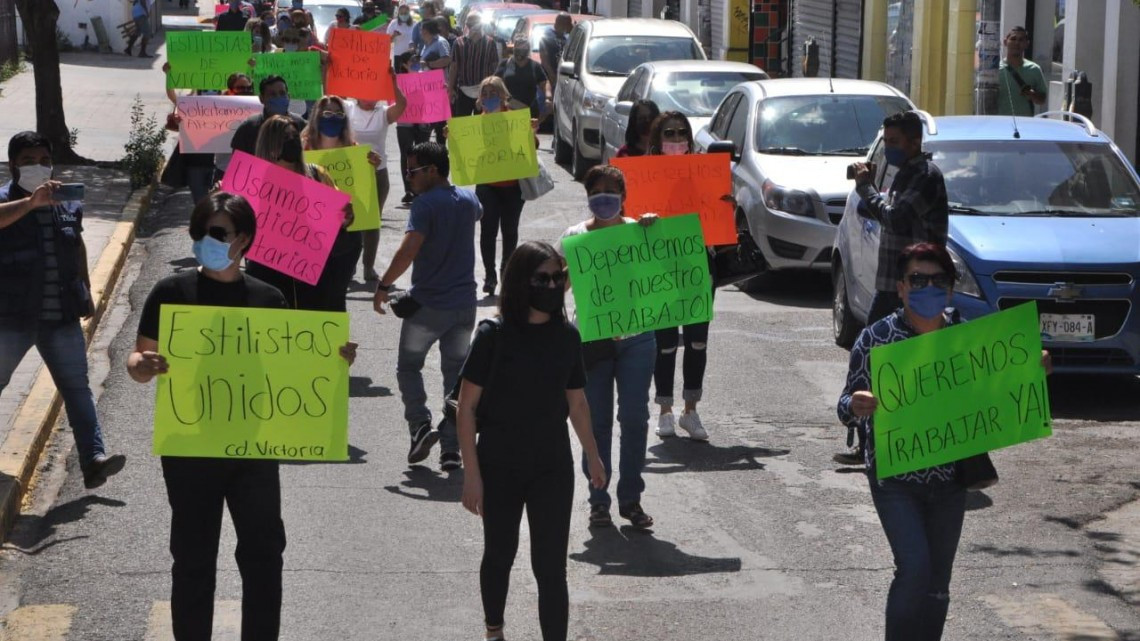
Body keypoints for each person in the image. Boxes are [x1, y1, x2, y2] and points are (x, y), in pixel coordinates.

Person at [127, 191, 357, 641]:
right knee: (192, 559)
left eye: (216, 233)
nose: (205, 241)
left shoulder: (268, 298)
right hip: (190, 448)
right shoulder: (171, 292)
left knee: (264, 556)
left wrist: (334, 360)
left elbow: (292, 366)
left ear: (244, 240)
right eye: (199, 233)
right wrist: (143, 366)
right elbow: (138, 361)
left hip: (253, 449)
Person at [838, 242, 1051, 641]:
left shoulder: (968, 339)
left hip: (950, 479)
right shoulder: (876, 339)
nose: (927, 287)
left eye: (937, 280)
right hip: (895, 478)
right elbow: (843, 405)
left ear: (951, 290)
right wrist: (857, 404)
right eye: (917, 279)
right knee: (915, 568)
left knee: (938, 583)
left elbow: (993, 389)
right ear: (900, 287)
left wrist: (1030, 369)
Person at [458, 241, 606, 641]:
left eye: (559, 277)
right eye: (543, 278)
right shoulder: (493, 335)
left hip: (551, 466)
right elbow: (466, 408)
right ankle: (494, 631)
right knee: (500, 554)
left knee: (550, 567)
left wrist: (593, 455)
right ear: (522, 282)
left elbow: (577, 403)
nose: (553, 284)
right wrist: (471, 474)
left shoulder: (567, 337)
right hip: (499, 464)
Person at [0, 131, 126, 490]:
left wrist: (86, 290)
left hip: (60, 316)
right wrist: (30, 203)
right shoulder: (7, 200)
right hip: (12, 317)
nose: (37, 167)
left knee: (76, 387)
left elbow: (77, 244)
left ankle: (93, 459)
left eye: (43, 160)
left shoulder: (67, 200)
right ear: (13, 165)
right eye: (27, 161)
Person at [843, 110, 948, 465]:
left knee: (893, 360)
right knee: (874, 356)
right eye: (885, 142)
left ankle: (902, 439)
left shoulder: (925, 176)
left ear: (914, 142)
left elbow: (895, 216)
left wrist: (865, 188)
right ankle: (869, 438)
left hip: (915, 289)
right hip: (892, 285)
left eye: (894, 143)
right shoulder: (906, 173)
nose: (888, 150)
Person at [557, 164, 657, 530]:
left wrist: (653, 230)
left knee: (635, 418)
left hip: (637, 339)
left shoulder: (640, 231)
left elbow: (662, 275)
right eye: (595, 193)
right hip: (592, 341)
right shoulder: (574, 236)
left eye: (610, 193)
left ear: (623, 198)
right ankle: (598, 498)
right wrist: (567, 270)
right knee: (595, 421)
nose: (603, 199)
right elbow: (558, 288)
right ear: (587, 198)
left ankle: (631, 498)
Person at [373, 142, 481, 471]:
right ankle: (452, 450)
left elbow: (408, 251)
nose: (409, 178)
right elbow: (475, 215)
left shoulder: (424, 205)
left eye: (413, 171)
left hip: (430, 306)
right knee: (455, 378)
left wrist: (383, 284)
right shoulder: (469, 199)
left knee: (408, 367)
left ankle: (420, 425)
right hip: (465, 306)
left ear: (433, 170)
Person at [643, 111, 726, 442]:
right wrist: (643, 220)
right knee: (664, 343)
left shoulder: (704, 173)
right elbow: (627, 220)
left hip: (697, 266)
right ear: (657, 140)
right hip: (661, 268)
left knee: (697, 340)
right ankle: (664, 411)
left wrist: (725, 208)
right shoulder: (645, 177)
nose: (676, 140)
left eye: (681, 134)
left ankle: (690, 411)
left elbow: (717, 221)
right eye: (669, 134)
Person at [246, 114, 358, 312]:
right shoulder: (252, 183)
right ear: (270, 145)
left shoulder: (317, 174)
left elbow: (340, 220)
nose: (292, 142)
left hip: (316, 271)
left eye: (294, 137)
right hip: (268, 272)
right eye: (285, 138)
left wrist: (345, 215)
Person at [470, 77, 530, 295]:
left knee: (509, 230)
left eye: (493, 94)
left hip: (513, 185)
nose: (488, 98)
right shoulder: (475, 123)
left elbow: (531, 147)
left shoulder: (514, 119)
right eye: (484, 94)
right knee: (488, 230)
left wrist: (530, 132)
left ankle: (506, 271)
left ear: (503, 96)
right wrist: (452, 137)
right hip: (487, 184)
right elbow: (465, 151)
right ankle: (490, 275)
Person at [346, 70, 408, 280]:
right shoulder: (347, 109)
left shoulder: (383, 113)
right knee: (350, 220)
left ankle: (368, 266)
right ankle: (350, 264)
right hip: (351, 173)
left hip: (377, 174)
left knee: (372, 221)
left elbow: (402, 105)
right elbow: (328, 99)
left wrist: (392, 81)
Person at [230, 75, 307, 156]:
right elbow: (239, 163)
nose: (278, 98)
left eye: (282, 93)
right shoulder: (248, 128)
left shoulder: (300, 124)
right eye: (272, 95)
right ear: (261, 98)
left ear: (289, 96)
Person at [394, 51, 431, 205]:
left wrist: (442, 89)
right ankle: (409, 190)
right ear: (404, 64)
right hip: (405, 122)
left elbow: (434, 94)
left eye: (418, 59)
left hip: (423, 121)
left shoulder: (427, 77)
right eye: (412, 60)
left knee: (423, 154)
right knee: (407, 155)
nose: (416, 62)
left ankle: (423, 188)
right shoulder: (398, 80)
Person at [448, 15, 500, 118]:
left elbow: (494, 67)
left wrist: (495, 89)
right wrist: (450, 88)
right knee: (462, 123)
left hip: (484, 92)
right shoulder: (458, 43)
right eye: (468, 24)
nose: (471, 27)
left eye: (473, 24)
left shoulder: (490, 43)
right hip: (463, 89)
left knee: (483, 123)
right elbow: (454, 67)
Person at [997, 26, 1047, 117]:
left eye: (1021, 40)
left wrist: (1033, 94)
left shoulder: (1034, 69)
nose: (1017, 43)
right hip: (999, 123)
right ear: (1005, 42)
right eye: (1013, 39)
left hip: (1025, 123)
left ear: (1027, 44)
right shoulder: (995, 70)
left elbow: (1042, 100)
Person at [495, 36, 549, 117]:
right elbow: (495, 83)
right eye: (518, 47)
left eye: (523, 48)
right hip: (508, 110)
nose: (520, 51)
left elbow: (544, 83)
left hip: (530, 111)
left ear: (528, 50)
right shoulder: (505, 64)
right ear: (514, 48)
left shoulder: (535, 66)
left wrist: (548, 97)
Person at [418, 19, 452, 144]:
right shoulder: (426, 45)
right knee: (427, 124)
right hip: (427, 90)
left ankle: (440, 154)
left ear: (426, 31)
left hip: (438, 89)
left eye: (422, 30)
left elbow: (447, 59)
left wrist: (429, 63)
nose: (420, 33)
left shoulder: (440, 42)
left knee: (439, 125)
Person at [539, 13, 572, 88]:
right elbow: (544, 58)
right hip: (549, 76)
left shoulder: (565, 37)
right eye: (567, 24)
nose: (568, 28)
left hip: (562, 75)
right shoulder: (547, 35)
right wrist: (552, 75)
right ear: (561, 24)